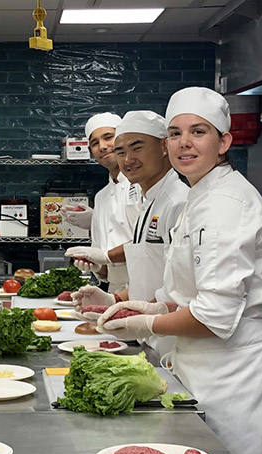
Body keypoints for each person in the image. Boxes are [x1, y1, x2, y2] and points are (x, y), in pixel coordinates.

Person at [97, 87, 262, 454]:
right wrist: (155, 305)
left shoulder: (224, 202)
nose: (185, 142)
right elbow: (192, 293)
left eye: (198, 131)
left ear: (224, 141)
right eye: (175, 133)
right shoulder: (200, 195)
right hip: (201, 366)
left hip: (236, 373)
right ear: (167, 146)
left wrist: (146, 323)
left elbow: (213, 315)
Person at [71, 110, 188, 360]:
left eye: (136, 148)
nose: (127, 159)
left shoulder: (178, 202)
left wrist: (146, 317)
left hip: (177, 335)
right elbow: (151, 268)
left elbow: (188, 289)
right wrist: (114, 298)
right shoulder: (150, 201)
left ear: (164, 146)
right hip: (152, 330)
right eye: (122, 151)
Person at [63, 112, 140, 291]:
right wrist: (98, 268)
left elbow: (147, 243)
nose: (102, 147)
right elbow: (103, 265)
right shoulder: (101, 197)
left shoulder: (141, 184)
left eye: (108, 138)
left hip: (147, 286)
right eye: (95, 143)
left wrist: (105, 256)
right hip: (114, 289)